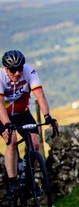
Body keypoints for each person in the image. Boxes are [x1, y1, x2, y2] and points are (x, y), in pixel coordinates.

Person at [1, 50, 59, 194]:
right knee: (12, 141)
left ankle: (29, 181)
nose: (17, 73)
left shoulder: (29, 71)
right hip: (3, 115)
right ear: (6, 69)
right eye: (13, 70)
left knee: (34, 143)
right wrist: (7, 125)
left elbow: (40, 95)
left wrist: (47, 116)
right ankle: (13, 182)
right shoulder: (0, 77)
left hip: (22, 113)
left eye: (19, 69)